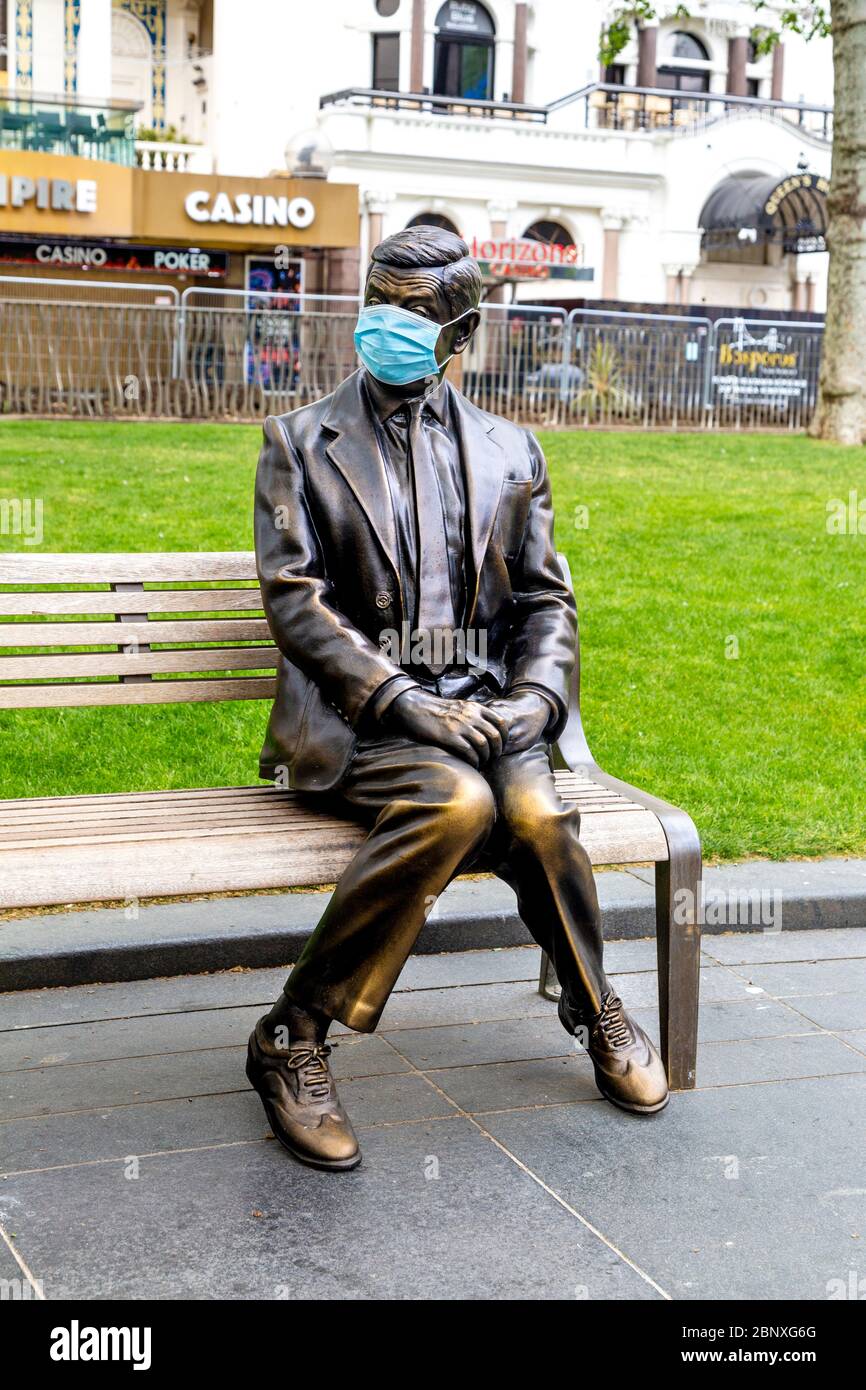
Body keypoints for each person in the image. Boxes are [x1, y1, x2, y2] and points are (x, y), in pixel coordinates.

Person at [247, 227, 668, 1172]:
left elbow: (545, 599)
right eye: (378, 305)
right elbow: (297, 603)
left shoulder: (512, 448)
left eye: (414, 314)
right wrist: (401, 698)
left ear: (463, 330)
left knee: (535, 810)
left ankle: (591, 1001)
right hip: (365, 722)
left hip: (485, 707)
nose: (386, 327)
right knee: (459, 801)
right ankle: (294, 1032)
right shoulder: (298, 443)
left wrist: (537, 704)